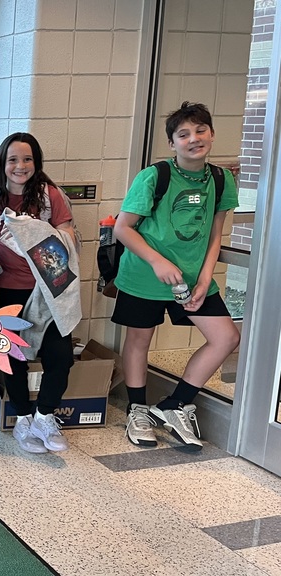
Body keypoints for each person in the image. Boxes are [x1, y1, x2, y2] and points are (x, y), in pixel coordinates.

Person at [113, 101, 241, 451]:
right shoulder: (154, 176)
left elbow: (216, 234)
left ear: (212, 134)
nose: (193, 139)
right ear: (172, 143)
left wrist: (205, 278)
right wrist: (157, 262)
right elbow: (123, 229)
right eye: (183, 134)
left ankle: (174, 404)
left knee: (226, 338)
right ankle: (137, 409)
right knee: (140, 339)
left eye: (200, 131)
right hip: (144, 274)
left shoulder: (221, 178)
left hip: (192, 279)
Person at [0, 132, 79, 454]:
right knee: (12, 360)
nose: (20, 166)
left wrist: (36, 234)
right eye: (13, 159)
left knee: (60, 357)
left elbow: (69, 238)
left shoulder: (49, 195)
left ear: (36, 163)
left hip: (48, 292)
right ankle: (23, 420)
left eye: (27, 159)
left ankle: (44, 416)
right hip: (5, 291)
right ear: (3, 163)